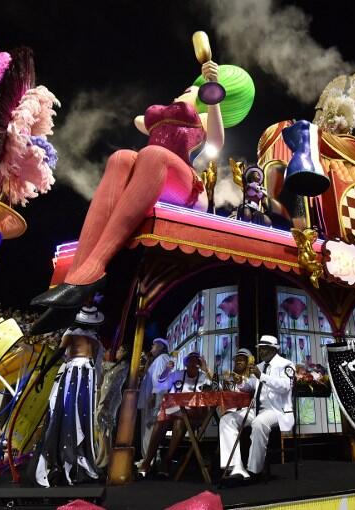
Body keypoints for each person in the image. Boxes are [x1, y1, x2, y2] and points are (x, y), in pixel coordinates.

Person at [30, 60, 254, 334]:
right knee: (121, 157)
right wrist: (180, 101)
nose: (186, 90)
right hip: (154, 174)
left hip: (186, 186)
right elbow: (140, 121)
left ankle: (94, 268)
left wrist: (212, 93)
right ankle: (75, 283)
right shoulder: (169, 113)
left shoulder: (204, 116)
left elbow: (216, 142)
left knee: (152, 155)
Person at [34, 306, 104, 486]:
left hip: (74, 372)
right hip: (88, 375)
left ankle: (64, 461)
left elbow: (59, 352)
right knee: (81, 415)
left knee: (64, 411)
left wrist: (42, 373)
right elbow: (96, 363)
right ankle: (78, 461)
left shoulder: (71, 332)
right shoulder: (95, 339)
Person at [219, 335, 294, 482]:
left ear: (273, 349)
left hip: (277, 410)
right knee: (227, 419)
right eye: (260, 349)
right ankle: (236, 468)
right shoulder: (259, 367)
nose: (260, 351)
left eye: (263, 348)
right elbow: (251, 386)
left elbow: (285, 387)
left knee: (259, 423)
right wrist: (241, 382)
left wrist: (262, 376)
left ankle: (254, 471)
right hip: (257, 409)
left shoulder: (286, 364)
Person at [137, 352, 211, 478]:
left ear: (199, 364)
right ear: (185, 363)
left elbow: (212, 388)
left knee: (179, 421)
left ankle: (166, 461)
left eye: (196, 361)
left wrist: (207, 370)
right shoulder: (177, 374)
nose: (193, 364)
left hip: (193, 415)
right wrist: (167, 369)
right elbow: (161, 384)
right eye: (190, 361)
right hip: (173, 413)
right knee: (162, 421)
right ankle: (147, 461)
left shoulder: (203, 377)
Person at [137, 338, 173, 463]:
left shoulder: (162, 358)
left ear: (161, 347)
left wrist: (153, 395)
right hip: (151, 398)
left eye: (154, 345)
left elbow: (160, 379)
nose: (151, 347)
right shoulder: (158, 360)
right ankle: (149, 459)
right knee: (149, 429)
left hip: (153, 399)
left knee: (150, 429)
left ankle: (149, 460)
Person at [95, 344, 129, 469]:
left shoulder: (123, 366)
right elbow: (103, 365)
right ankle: (101, 455)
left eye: (120, 350)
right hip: (105, 396)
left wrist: (107, 399)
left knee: (106, 426)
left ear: (125, 352)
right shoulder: (115, 365)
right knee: (100, 425)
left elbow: (115, 384)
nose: (117, 352)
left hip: (111, 397)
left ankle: (108, 456)